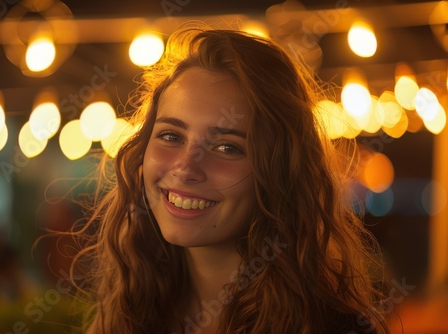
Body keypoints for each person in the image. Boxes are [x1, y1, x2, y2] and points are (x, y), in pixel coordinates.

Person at [73, 27, 391, 333]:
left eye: (227, 146)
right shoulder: (123, 317)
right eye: (171, 135)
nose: (186, 167)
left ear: (278, 172)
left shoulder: (331, 328)